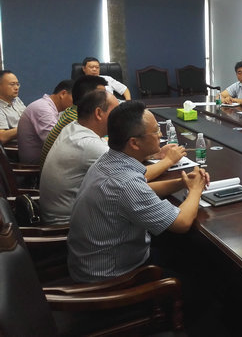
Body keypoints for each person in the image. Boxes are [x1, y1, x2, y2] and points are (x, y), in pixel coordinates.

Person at [67, 101, 209, 282]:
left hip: (93, 263)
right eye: (156, 131)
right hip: (113, 278)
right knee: (201, 274)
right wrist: (196, 189)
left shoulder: (108, 161)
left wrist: (181, 182)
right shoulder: (126, 183)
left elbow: (143, 189)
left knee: (183, 250)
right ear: (134, 143)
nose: (160, 135)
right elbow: (182, 223)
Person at [41, 90, 187, 225]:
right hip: (68, 224)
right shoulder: (91, 147)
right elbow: (136, 178)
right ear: (99, 113)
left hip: (69, 214)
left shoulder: (74, 127)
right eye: (116, 110)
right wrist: (169, 160)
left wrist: (155, 154)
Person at [39, 75, 108, 167]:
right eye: (102, 94)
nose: (106, 98)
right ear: (89, 97)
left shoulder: (71, 111)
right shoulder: (76, 119)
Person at [17, 79, 74, 164]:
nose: (77, 104)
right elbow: (56, 143)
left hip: (47, 160)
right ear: (63, 94)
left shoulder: (52, 108)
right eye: (76, 99)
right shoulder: (43, 109)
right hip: (36, 164)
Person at [0, 70, 26, 144]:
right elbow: (2, 136)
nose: (16, 88)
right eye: (12, 84)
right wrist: (27, 127)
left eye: (17, 84)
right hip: (17, 146)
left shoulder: (16, 100)